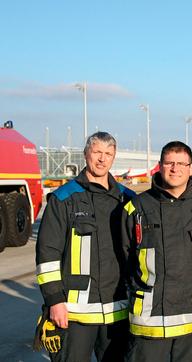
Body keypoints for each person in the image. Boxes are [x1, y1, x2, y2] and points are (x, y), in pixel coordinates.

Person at [121, 141, 192, 361]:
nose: (175, 169)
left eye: (181, 163)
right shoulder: (136, 208)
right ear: (160, 166)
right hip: (150, 320)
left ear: (190, 167)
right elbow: (125, 257)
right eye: (169, 163)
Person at [35, 131, 135, 361]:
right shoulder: (63, 199)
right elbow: (47, 255)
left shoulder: (127, 199)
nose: (102, 158)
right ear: (86, 154)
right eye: (97, 152)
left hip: (117, 308)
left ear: (114, 157)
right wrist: (54, 301)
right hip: (73, 313)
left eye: (108, 153)